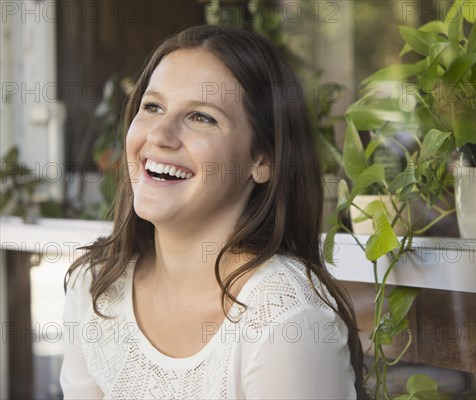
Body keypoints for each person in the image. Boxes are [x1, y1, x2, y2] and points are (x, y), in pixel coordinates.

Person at [61, 25, 367, 399]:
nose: (159, 135)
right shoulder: (96, 285)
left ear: (262, 159)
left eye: (202, 117)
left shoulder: (286, 318)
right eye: (153, 106)